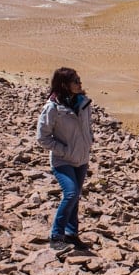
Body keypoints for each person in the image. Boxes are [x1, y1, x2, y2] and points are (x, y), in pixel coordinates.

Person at [36, 67, 93, 251]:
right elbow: (42, 137)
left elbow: (87, 127)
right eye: (75, 81)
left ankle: (71, 234)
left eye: (79, 79)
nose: (79, 83)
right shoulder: (52, 107)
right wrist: (63, 150)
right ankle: (56, 235)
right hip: (63, 160)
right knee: (70, 193)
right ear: (64, 84)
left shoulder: (83, 102)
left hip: (81, 158)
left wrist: (88, 142)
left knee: (75, 197)